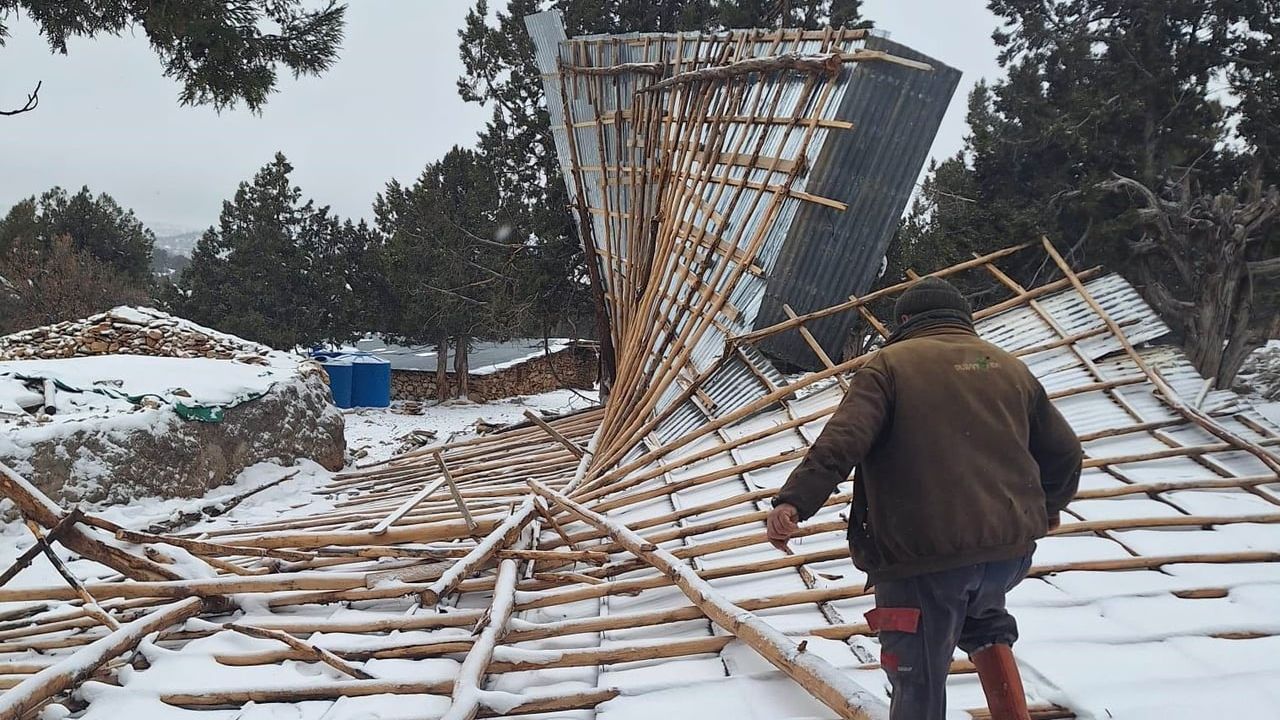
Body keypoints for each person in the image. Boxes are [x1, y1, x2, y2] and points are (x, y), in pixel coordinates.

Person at [766, 276, 1082, 720]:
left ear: (906, 320)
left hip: (923, 556)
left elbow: (843, 441)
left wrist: (794, 502)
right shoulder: (1006, 366)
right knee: (984, 622)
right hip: (1006, 555)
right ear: (962, 318)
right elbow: (1066, 453)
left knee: (917, 673)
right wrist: (1046, 509)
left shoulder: (891, 365)